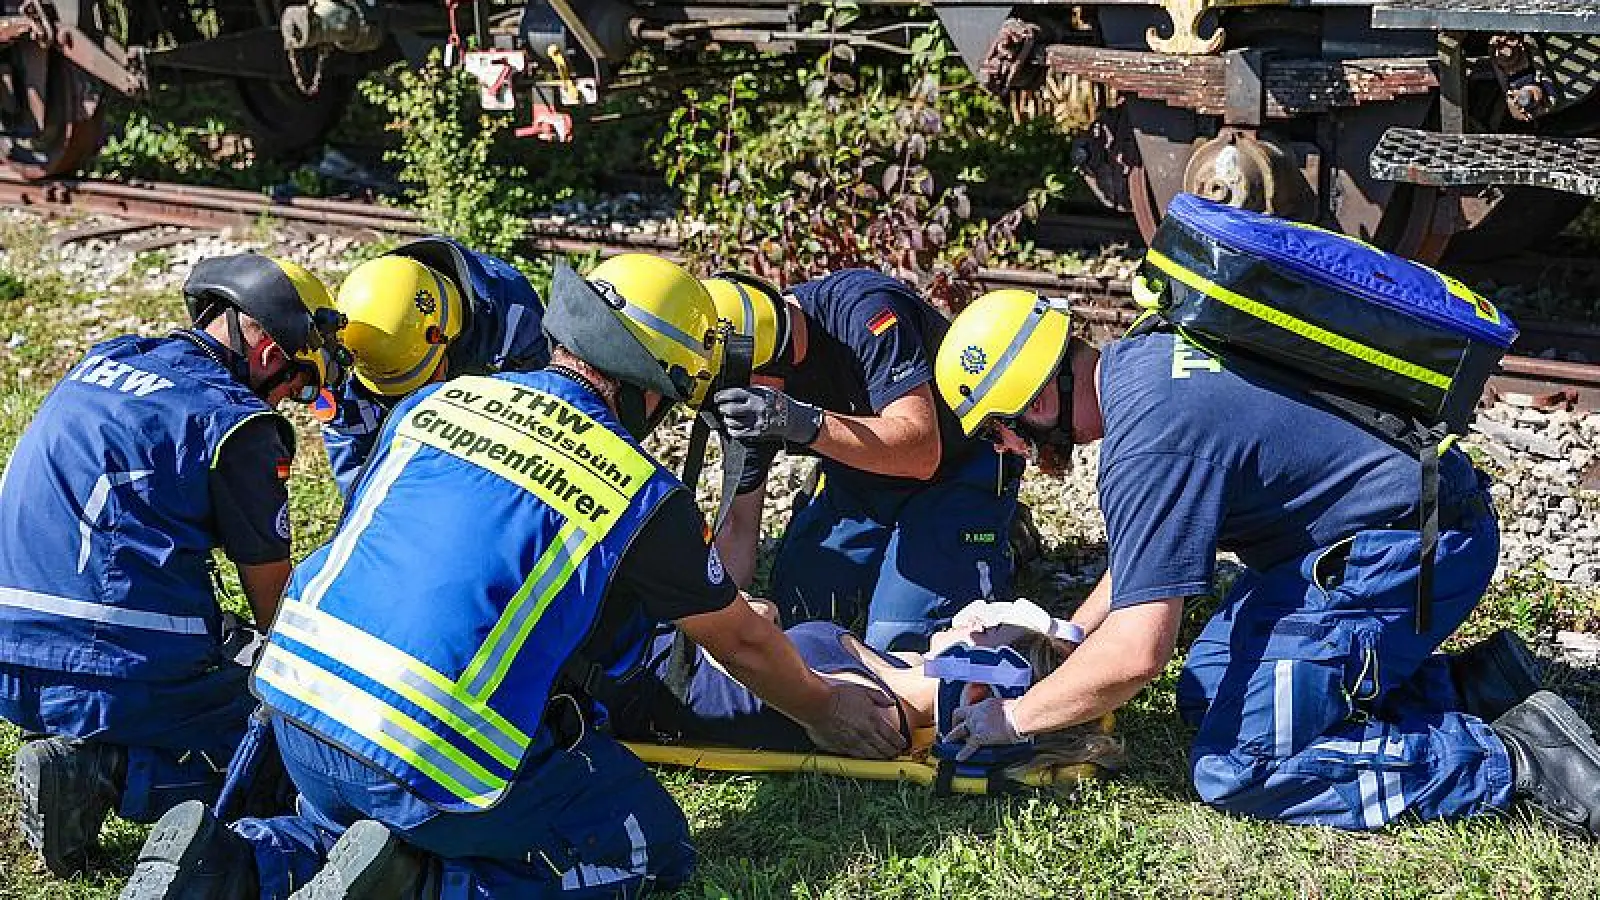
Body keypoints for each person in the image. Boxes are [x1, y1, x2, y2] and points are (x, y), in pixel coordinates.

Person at [122, 253, 907, 900]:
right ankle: (425, 887)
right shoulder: (634, 489)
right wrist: (825, 707)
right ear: (650, 386)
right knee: (650, 844)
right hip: (427, 762)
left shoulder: (437, 403)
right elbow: (741, 642)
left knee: (352, 818)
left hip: (295, 714)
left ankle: (237, 863)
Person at [927, 288, 1600, 836]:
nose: (1007, 449)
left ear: (1039, 401)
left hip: (1410, 552)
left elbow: (1136, 656)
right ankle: (1479, 687)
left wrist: (1014, 719)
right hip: (1382, 530)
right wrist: (1068, 633)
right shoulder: (1148, 353)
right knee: (1207, 689)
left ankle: (1516, 760)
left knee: (1237, 767)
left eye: (997, 429)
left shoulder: (1147, 448)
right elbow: (1149, 551)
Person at [0, 254, 348, 876]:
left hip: (10, 650)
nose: (290, 401)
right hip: (105, 665)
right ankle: (99, 773)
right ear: (271, 352)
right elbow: (275, 607)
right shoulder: (238, 424)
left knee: (214, 645)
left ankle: (73, 738)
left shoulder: (107, 357)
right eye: (298, 387)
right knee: (281, 744)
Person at [704, 269, 1022, 652]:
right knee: (800, 609)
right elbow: (738, 526)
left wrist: (802, 422)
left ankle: (1005, 537)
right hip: (861, 479)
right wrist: (715, 632)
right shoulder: (744, 385)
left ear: (777, 358)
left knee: (899, 641)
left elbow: (923, 452)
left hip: (955, 473)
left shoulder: (867, 313)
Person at [611, 596, 1123, 779]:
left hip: (623, 667)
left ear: (975, 690)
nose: (977, 616)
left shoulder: (872, 715)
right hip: (655, 634)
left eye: (990, 628)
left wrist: (750, 616)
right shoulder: (902, 669)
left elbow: (735, 652)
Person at [318, 237, 549, 498]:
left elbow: (536, 427)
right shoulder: (357, 339)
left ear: (445, 335)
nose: (418, 397)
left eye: (423, 380)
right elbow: (353, 457)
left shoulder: (513, 320)